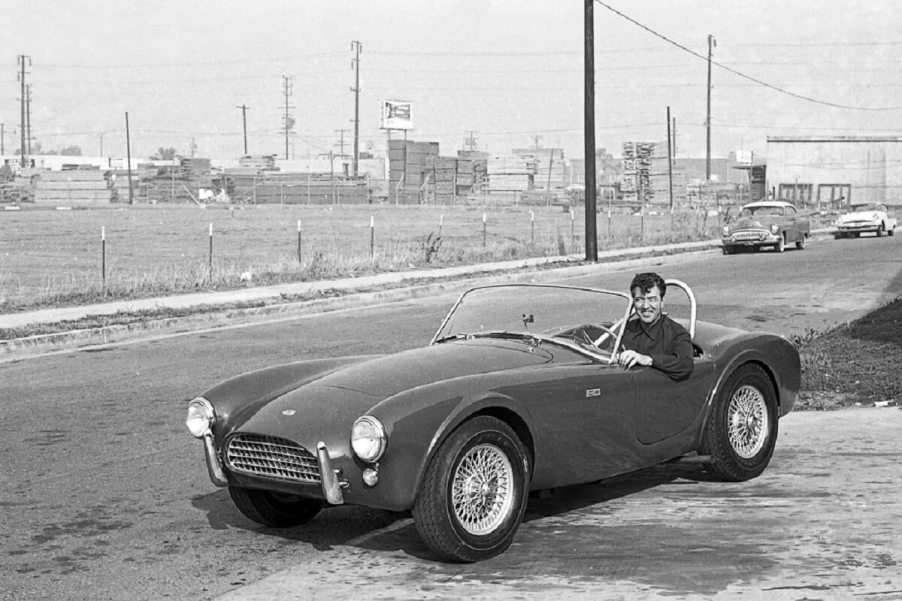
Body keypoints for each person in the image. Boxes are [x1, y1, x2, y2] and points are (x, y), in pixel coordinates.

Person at [617, 272, 694, 381]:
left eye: (652, 299)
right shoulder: (626, 329)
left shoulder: (676, 334)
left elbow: (685, 365)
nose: (646, 306)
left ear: (662, 302)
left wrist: (647, 360)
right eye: (640, 299)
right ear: (633, 302)